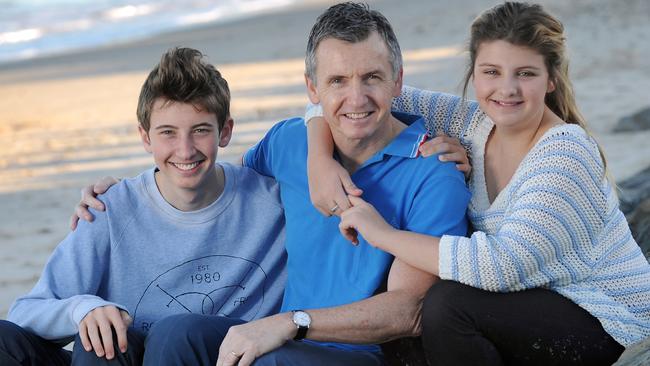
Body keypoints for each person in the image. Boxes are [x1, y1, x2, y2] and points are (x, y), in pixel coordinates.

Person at [70, 3, 471, 365]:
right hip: (280, 338)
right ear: (313, 89)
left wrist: (291, 323)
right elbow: (214, 183)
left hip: (350, 354)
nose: (356, 98)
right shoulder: (290, 141)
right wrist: (130, 192)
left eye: (372, 78)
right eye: (337, 81)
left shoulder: (433, 173)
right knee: (178, 333)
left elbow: (408, 311)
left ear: (398, 81)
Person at [306, 2, 650, 365]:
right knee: (401, 323)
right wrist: (319, 161)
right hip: (524, 310)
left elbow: (501, 266)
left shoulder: (564, 152)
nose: (507, 89)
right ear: (474, 74)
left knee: (445, 306)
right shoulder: (471, 123)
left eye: (526, 74)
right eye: (492, 71)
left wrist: (382, 234)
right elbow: (352, 99)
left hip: (606, 318)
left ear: (551, 78)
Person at [0, 47, 287, 366]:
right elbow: (25, 312)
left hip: (209, 354)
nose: (185, 149)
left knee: (174, 333)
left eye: (200, 130)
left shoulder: (274, 202)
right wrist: (82, 309)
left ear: (226, 131)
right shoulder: (109, 209)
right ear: (145, 137)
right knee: (64, 343)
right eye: (168, 133)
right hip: (117, 359)